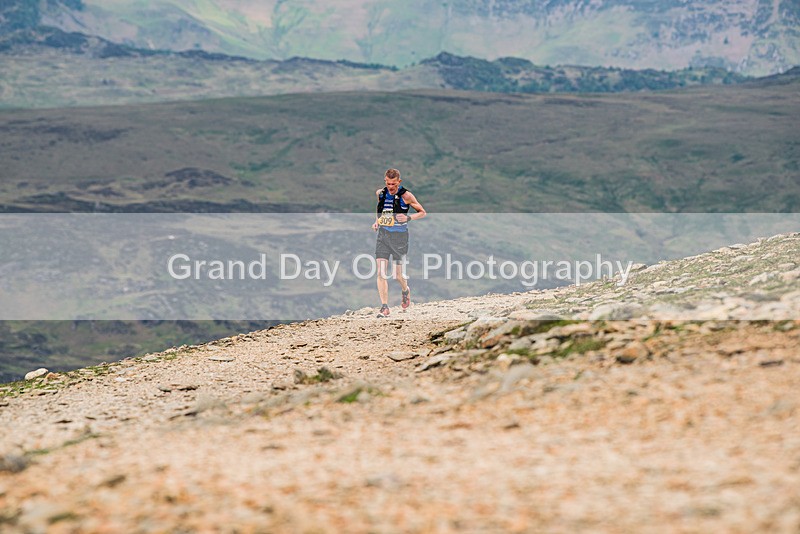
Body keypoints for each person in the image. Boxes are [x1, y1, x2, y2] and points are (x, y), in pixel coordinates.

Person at [372, 168, 426, 317]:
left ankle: (405, 290)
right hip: (383, 235)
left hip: (399, 238)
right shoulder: (380, 194)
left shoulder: (406, 196)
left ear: (399, 182)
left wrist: (409, 218)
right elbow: (381, 211)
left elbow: (422, 212)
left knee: (397, 275)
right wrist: (377, 222)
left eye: (394, 184)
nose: (390, 187)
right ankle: (384, 307)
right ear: (385, 181)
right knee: (381, 272)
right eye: (388, 183)